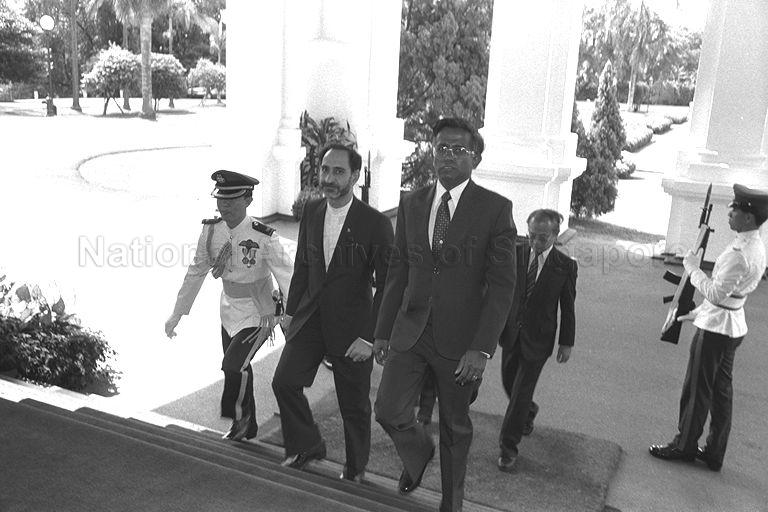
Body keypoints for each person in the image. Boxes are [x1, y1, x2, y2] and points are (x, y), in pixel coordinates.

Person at [373, 117, 517, 512]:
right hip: (411, 330)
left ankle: (450, 505)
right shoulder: (412, 202)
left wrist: (482, 348)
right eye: (441, 148)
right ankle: (418, 453)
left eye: (459, 150)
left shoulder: (495, 209)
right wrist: (382, 330)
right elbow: (397, 271)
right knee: (387, 409)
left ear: (476, 159)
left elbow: (503, 287)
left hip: (461, 341)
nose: (448, 157)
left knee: (456, 427)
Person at [271, 143, 394, 482]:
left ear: (355, 176)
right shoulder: (311, 210)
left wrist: (370, 337)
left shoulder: (375, 223)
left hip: (352, 328)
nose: (328, 177)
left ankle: (355, 469)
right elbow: (303, 265)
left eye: (338, 171)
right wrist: (292, 312)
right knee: (284, 381)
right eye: (325, 169)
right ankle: (307, 444)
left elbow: (389, 284)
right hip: (310, 319)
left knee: (353, 405)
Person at [165, 170, 293, 441]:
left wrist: (291, 315)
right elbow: (196, 271)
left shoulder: (263, 236)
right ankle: (246, 423)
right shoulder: (211, 231)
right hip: (228, 310)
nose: (225, 207)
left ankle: (238, 417)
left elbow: (287, 277)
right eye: (221, 200)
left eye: (232, 201)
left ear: (247, 200)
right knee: (239, 366)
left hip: (259, 311)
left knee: (233, 365)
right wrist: (177, 312)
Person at [649, 183, 767, 471]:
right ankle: (714, 451)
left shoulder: (740, 252)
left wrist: (691, 267)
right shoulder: (754, 244)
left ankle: (684, 445)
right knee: (720, 391)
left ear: (749, 218)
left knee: (697, 389)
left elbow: (715, 293)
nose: (730, 211)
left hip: (716, 329)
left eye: (736, 208)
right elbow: (729, 295)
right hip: (731, 324)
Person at [497, 209, 577, 472]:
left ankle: (508, 447)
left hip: (539, 339)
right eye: (531, 236)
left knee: (520, 393)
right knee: (509, 382)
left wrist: (567, 342)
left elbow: (568, 307)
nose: (535, 242)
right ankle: (528, 412)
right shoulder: (515, 253)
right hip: (510, 333)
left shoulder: (565, 266)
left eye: (542, 238)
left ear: (555, 235)